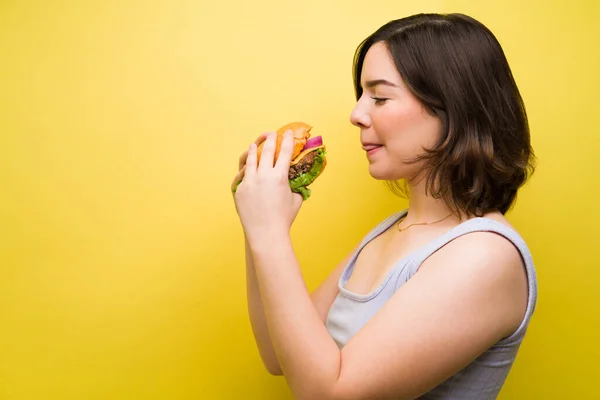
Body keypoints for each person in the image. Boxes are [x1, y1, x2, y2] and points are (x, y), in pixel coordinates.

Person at [231, 12, 537, 400]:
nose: (356, 115)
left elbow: (329, 395)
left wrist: (270, 234)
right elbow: (279, 355)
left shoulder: (486, 255)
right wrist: (254, 224)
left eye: (379, 96)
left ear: (451, 109)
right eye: (361, 96)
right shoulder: (390, 231)